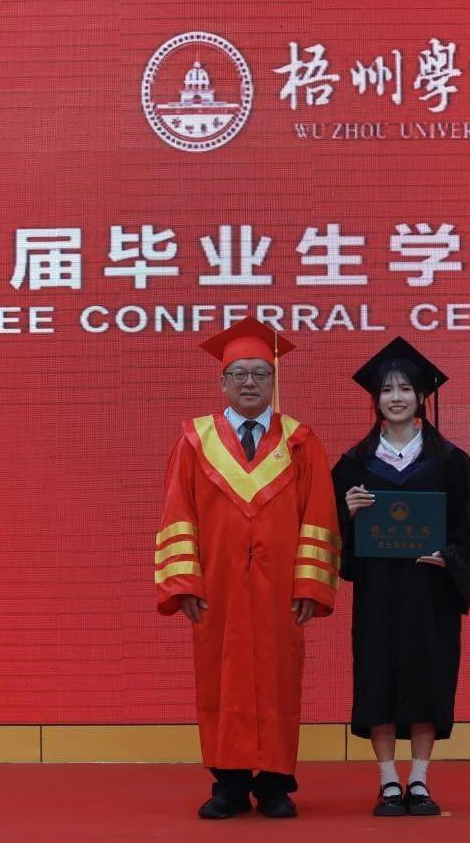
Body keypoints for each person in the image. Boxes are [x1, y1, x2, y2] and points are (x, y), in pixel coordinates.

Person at [154, 317, 341, 820]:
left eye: (261, 373)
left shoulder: (300, 441)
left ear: (273, 381)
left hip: (280, 587)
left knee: (279, 679)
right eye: (239, 374)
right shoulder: (195, 440)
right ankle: (229, 785)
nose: (250, 382)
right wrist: (185, 581)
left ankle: (275, 784)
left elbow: (319, 515)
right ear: (222, 382)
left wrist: (310, 584)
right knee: (221, 678)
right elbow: (177, 513)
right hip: (217, 585)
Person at [331, 337, 470, 817]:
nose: (395, 397)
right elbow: (330, 531)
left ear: (422, 397)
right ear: (375, 399)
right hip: (378, 591)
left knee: (427, 676)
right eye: (386, 390)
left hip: (429, 591)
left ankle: (419, 779)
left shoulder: (451, 461)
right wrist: (347, 512)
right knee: (377, 676)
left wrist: (451, 557)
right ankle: (387, 782)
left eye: (405, 389)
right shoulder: (354, 463)